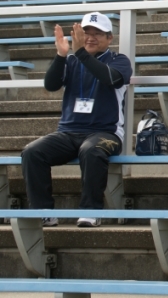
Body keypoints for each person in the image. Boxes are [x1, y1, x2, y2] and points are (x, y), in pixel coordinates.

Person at [21, 12, 132, 227]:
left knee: (91, 150)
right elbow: (50, 85)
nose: (90, 38)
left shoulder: (119, 60)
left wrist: (80, 52)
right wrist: (61, 55)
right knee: (32, 152)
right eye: (86, 33)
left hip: (106, 132)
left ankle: (91, 211)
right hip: (68, 133)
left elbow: (112, 78)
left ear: (109, 38)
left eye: (97, 33)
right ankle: (43, 211)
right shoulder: (71, 60)